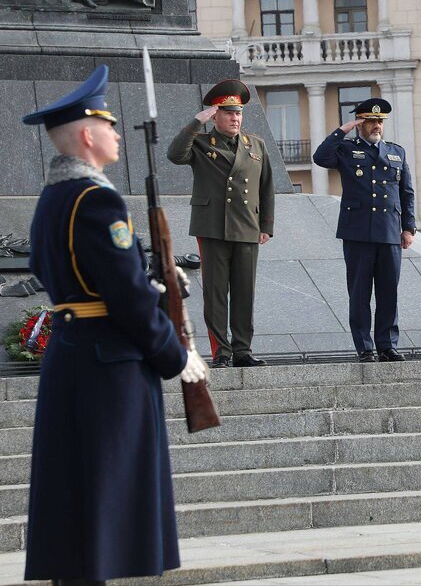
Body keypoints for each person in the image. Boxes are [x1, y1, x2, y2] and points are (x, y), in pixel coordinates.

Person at [22, 65, 205, 584]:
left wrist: (152, 287)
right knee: (105, 502)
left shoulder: (53, 198)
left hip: (72, 356)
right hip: (111, 365)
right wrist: (175, 354)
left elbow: (72, 277)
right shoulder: (99, 200)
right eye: (109, 124)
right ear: (87, 134)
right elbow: (122, 297)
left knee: (77, 505)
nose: (118, 134)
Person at [168, 79, 275, 368]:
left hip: (247, 227)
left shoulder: (256, 145)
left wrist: (266, 225)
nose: (234, 118)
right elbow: (175, 154)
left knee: (244, 292)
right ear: (215, 116)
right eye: (228, 113)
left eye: (238, 113)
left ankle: (242, 350)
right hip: (212, 227)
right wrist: (194, 123)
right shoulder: (201, 143)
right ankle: (221, 352)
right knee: (216, 294)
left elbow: (266, 187)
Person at [313, 98, 416, 363]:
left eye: (380, 121)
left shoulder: (397, 152)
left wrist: (409, 227)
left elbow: (407, 193)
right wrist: (342, 130)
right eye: (370, 121)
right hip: (358, 232)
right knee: (360, 294)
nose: (376, 126)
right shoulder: (347, 149)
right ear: (361, 123)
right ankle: (365, 347)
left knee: (388, 292)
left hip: (390, 232)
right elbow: (320, 157)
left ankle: (387, 345)